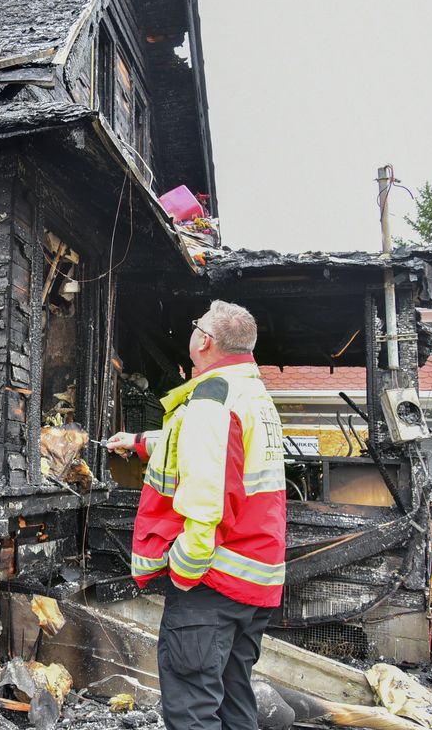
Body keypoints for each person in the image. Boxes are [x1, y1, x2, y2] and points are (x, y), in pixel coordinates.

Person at [105, 300, 285, 730]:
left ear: (204, 340)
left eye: (195, 325)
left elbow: (209, 496)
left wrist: (186, 567)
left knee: (192, 710)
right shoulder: (251, 394)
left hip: (211, 583)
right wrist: (137, 441)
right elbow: (198, 443)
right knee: (232, 697)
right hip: (253, 580)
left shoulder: (213, 398)